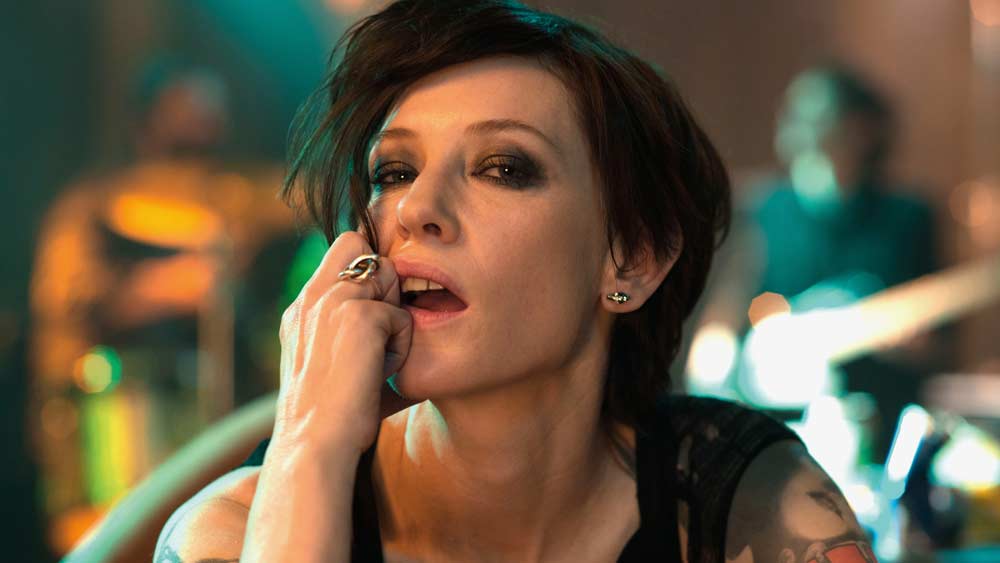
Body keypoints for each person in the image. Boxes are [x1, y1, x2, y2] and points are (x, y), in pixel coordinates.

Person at [156, 1, 877, 562]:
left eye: (502, 168)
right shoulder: (236, 530)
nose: (415, 209)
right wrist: (310, 445)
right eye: (394, 171)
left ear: (632, 258)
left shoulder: (748, 497)